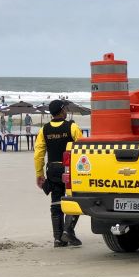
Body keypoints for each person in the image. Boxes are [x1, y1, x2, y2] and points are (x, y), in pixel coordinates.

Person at [34, 99, 83, 247]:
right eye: (65, 109)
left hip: (52, 169)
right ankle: (68, 230)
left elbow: (39, 153)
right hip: (69, 169)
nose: (66, 111)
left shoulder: (44, 129)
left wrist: (39, 173)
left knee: (56, 202)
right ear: (62, 111)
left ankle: (58, 238)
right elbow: (81, 149)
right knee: (75, 199)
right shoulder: (72, 127)